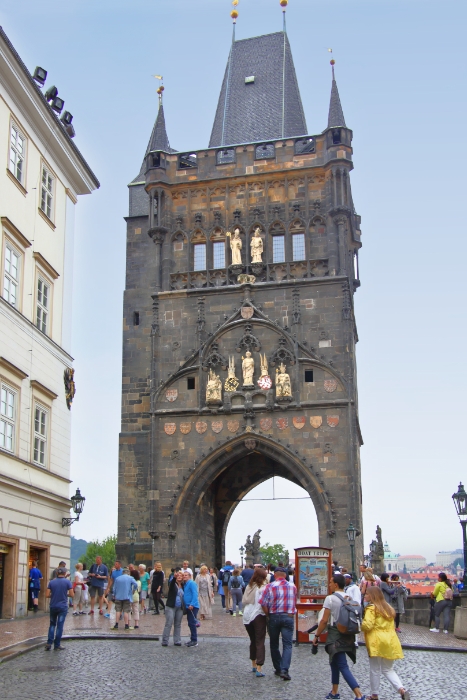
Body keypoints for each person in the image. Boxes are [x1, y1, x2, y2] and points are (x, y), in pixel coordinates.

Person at [312, 573, 364, 700]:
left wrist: (316, 635)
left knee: (342, 665)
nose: (329, 584)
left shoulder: (330, 599)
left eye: (330, 582)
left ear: (335, 584)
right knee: (333, 662)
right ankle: (334, 692)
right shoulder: (348, 597)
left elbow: (324, 620)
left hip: (335, 633)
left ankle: (359, 694)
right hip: (348, 633)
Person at [362, 586, 411, 699]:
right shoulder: (388, 608)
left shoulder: (371, 608)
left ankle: (374, 695)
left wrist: (359, 625)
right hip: (390, 640)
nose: (365, 596)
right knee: (388, 669)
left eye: (367, 594)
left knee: (375, 669)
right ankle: (402, 690)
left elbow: (368, 625)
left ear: (372, 596)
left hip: (376, 641)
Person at [259, 566, 297, 681]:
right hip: (288, 617)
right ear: (285, 575)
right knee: (287, 644)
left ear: (275, 575)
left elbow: (263, 603)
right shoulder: (293, 587)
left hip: (274, 616)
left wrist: (268, 615)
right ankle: (285, 670)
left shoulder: (269, 586)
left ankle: (278, 668)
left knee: (274, 643)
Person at [243, 566, 268, 677]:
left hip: (247, 616)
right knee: (260, 641)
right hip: (258, 615)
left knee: (253, 640)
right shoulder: (263, 588)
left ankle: (253, 664)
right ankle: (259, 667)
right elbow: (263, 604)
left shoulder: (249, 586)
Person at [45, 567, 73, 650]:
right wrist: (65, 595)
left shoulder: (51, 582)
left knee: (52, 624)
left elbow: (47, 595)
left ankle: (49, 643)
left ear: (57, 573)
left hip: (53, 605)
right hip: (63, 606)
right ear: (65, 573)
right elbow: (72, 594)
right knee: (60, 625)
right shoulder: (67, 582)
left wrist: (53, 595)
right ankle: (57, 645)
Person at [162, 569, 184, 646]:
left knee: (178, 624)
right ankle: (165, 640)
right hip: (171, 606)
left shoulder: (183, 585)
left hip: (179, 607)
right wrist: (174, 578)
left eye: (181, 575)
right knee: (169, 623)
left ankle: (177, 640)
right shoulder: (173, 584)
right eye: (178, 575)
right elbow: (171, 585)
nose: (179, 577)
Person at [182, 571, 199, 646]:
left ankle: (194, 640)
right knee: (190, 623)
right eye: (183, 575)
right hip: (188, 606)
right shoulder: (185, 584)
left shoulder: (191, 583)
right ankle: (192, 639)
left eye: (186, 575)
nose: (184, 576)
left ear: (189, 576)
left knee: (192, 623)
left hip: (192, 606)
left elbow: (195, 594)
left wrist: (192, 604)